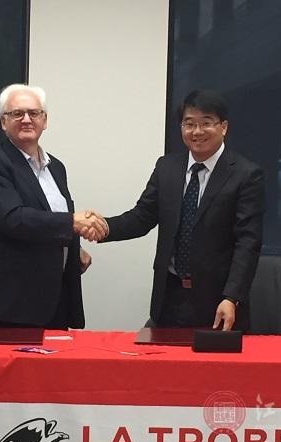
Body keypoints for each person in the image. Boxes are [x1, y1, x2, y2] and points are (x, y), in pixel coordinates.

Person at [96, 89, 264, 331]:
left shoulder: (246, 175)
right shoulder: (167, 167)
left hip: (219, 302)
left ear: (223, 127)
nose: (197, 131)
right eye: (189, 124)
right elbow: (141, 217)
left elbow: (248, 242)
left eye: (206, 123)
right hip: (169, 297)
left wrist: (231, 297)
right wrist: (101, 226)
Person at [0, 83, 106, 329]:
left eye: (34, 113)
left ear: (45, 120)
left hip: (55, 299)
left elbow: (51, 220)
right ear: (3, 122)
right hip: (10, 305)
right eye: (17, 113)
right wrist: (72, 222)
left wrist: (72, 249)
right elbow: (13, 219)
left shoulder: (56, 168)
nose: (26, 119)